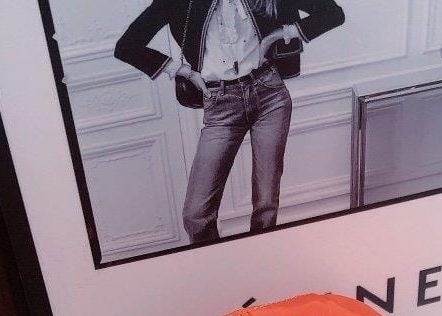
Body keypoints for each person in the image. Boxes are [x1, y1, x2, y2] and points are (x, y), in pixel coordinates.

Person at [115, 0, 345, 245]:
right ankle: (216, 263)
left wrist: (279, 34)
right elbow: (127, 46)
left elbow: (332, 14)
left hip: (269, 95)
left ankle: (261, 256)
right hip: (220, 105)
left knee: (266, 203)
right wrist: (182, 71)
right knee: (196, 214)